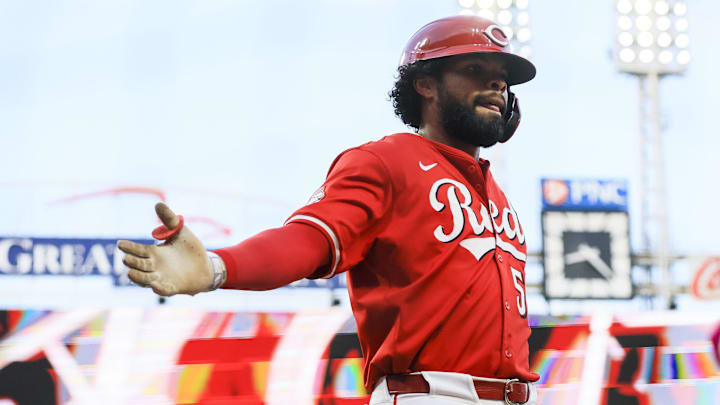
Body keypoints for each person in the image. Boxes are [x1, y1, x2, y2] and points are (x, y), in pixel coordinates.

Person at [118, 15, 539, 405]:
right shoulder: (388, 160)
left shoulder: (494, 192)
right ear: (425, 85)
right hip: (431, 394)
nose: (497, 86)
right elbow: (310, 238)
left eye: (501, 79)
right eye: (474, 71)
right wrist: (218, 267)